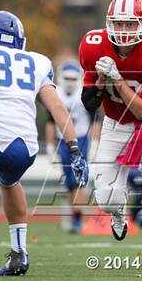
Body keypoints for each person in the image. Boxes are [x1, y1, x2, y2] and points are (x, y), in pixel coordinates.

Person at [0, 11, 88, 276]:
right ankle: (19, 254)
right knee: (9, 182)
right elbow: (57, 108)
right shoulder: (37, 61)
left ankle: (19, 254)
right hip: (24, 147)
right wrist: (75, 149)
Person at [78, 0, 142, 261]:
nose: (123, 31)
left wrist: (117, 79)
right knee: (106, 199)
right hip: (115, 121)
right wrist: (100, 81)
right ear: (109, 22)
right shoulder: (92, 45)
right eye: (118, 23)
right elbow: (89, 103)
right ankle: (119, 210)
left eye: (130, 24)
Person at [45, 60, 94, 233]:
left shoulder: (84, 92)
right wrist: (50, 145)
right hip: (62, 140)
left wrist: (94, 142)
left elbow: (96, 118)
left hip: (81, 139)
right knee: (69, 182)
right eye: (67, 78)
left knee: (78, 180)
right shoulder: (54, 92)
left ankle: (78, 217)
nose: (70, 81)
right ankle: (75, 216)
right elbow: (50, 120)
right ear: (60, 77)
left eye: (73, 78)